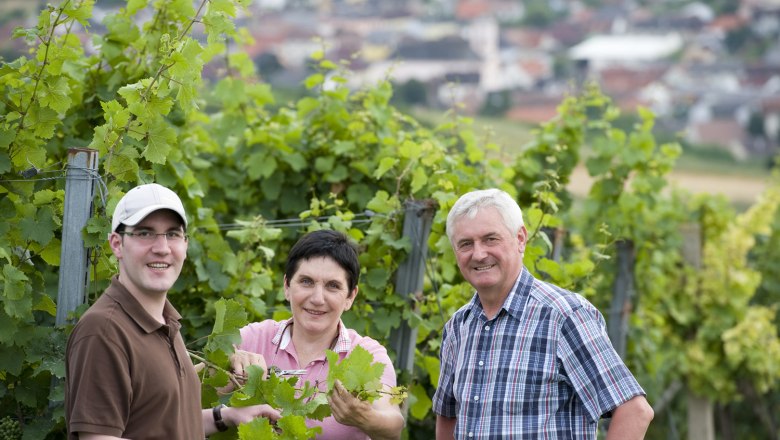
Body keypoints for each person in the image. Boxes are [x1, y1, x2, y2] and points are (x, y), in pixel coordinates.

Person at [432, 188, 654, 439]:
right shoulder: (458, 327)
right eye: (465, 244)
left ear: (520, 239)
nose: (479, 253)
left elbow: (635, 411)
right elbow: (448, 415)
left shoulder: (564, 316)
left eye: (490, 239)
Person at [65, 183, 280, 439]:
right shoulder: (104, 331)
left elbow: (166, 424)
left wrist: (226, 416)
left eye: (173, 234)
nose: (162, 247)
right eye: (145, 233)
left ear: (185, 245)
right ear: (117, 244)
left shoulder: (165, 322)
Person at [231, 229, 405, 440]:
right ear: (287, 286)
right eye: (306, 281)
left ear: (350, 296)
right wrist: (228, 365)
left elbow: (394, 425)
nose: (317, 298)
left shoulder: (366, 354)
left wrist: (364, 417)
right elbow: (185, 389)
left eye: (333, 286)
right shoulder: (254, 338)